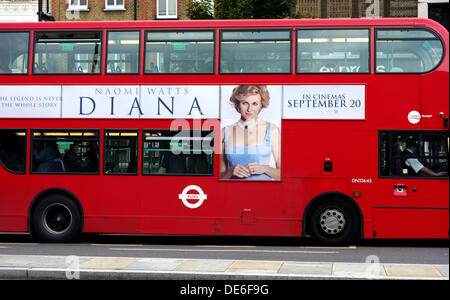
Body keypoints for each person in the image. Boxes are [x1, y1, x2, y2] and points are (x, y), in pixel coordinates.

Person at [220, 85, 281, 180]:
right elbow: (219, 178)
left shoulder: (272, 130)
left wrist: (265, 169)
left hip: (263, 192)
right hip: (232, 192)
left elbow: (284, 174)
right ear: (237, 104)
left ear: (261, 104)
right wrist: (231, 171)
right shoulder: (225, 132)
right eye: (245, 103)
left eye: (255, 104)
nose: (249, 109)